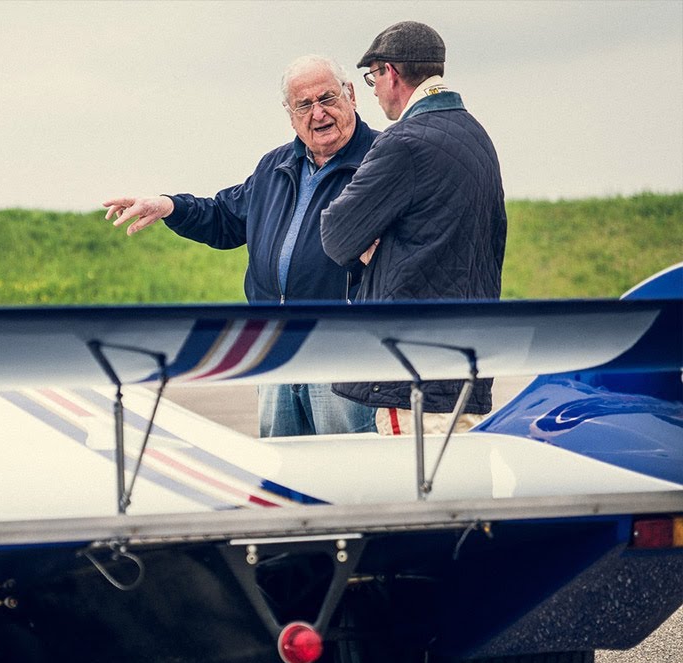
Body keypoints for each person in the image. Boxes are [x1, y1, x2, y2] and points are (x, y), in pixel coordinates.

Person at [103, 55, 378, 438]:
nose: (318, 114)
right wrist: (169, 206)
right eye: (304, 105)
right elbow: (224, 219)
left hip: (342, 349)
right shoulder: (275, 167)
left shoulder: (381, 161)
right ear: (290, 114)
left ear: (350, 96)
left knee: (349, 469)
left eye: (328, 98)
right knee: (283, 470)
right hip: (275, 347)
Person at [320, 21, 507, 436]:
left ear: (390, 72)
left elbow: (336, 234)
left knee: (413, 493)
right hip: (466, 367)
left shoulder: (402, 142)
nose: (372, 89)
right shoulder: (477, 136)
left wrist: (377, 243)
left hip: (410, 379)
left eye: (372, 77)